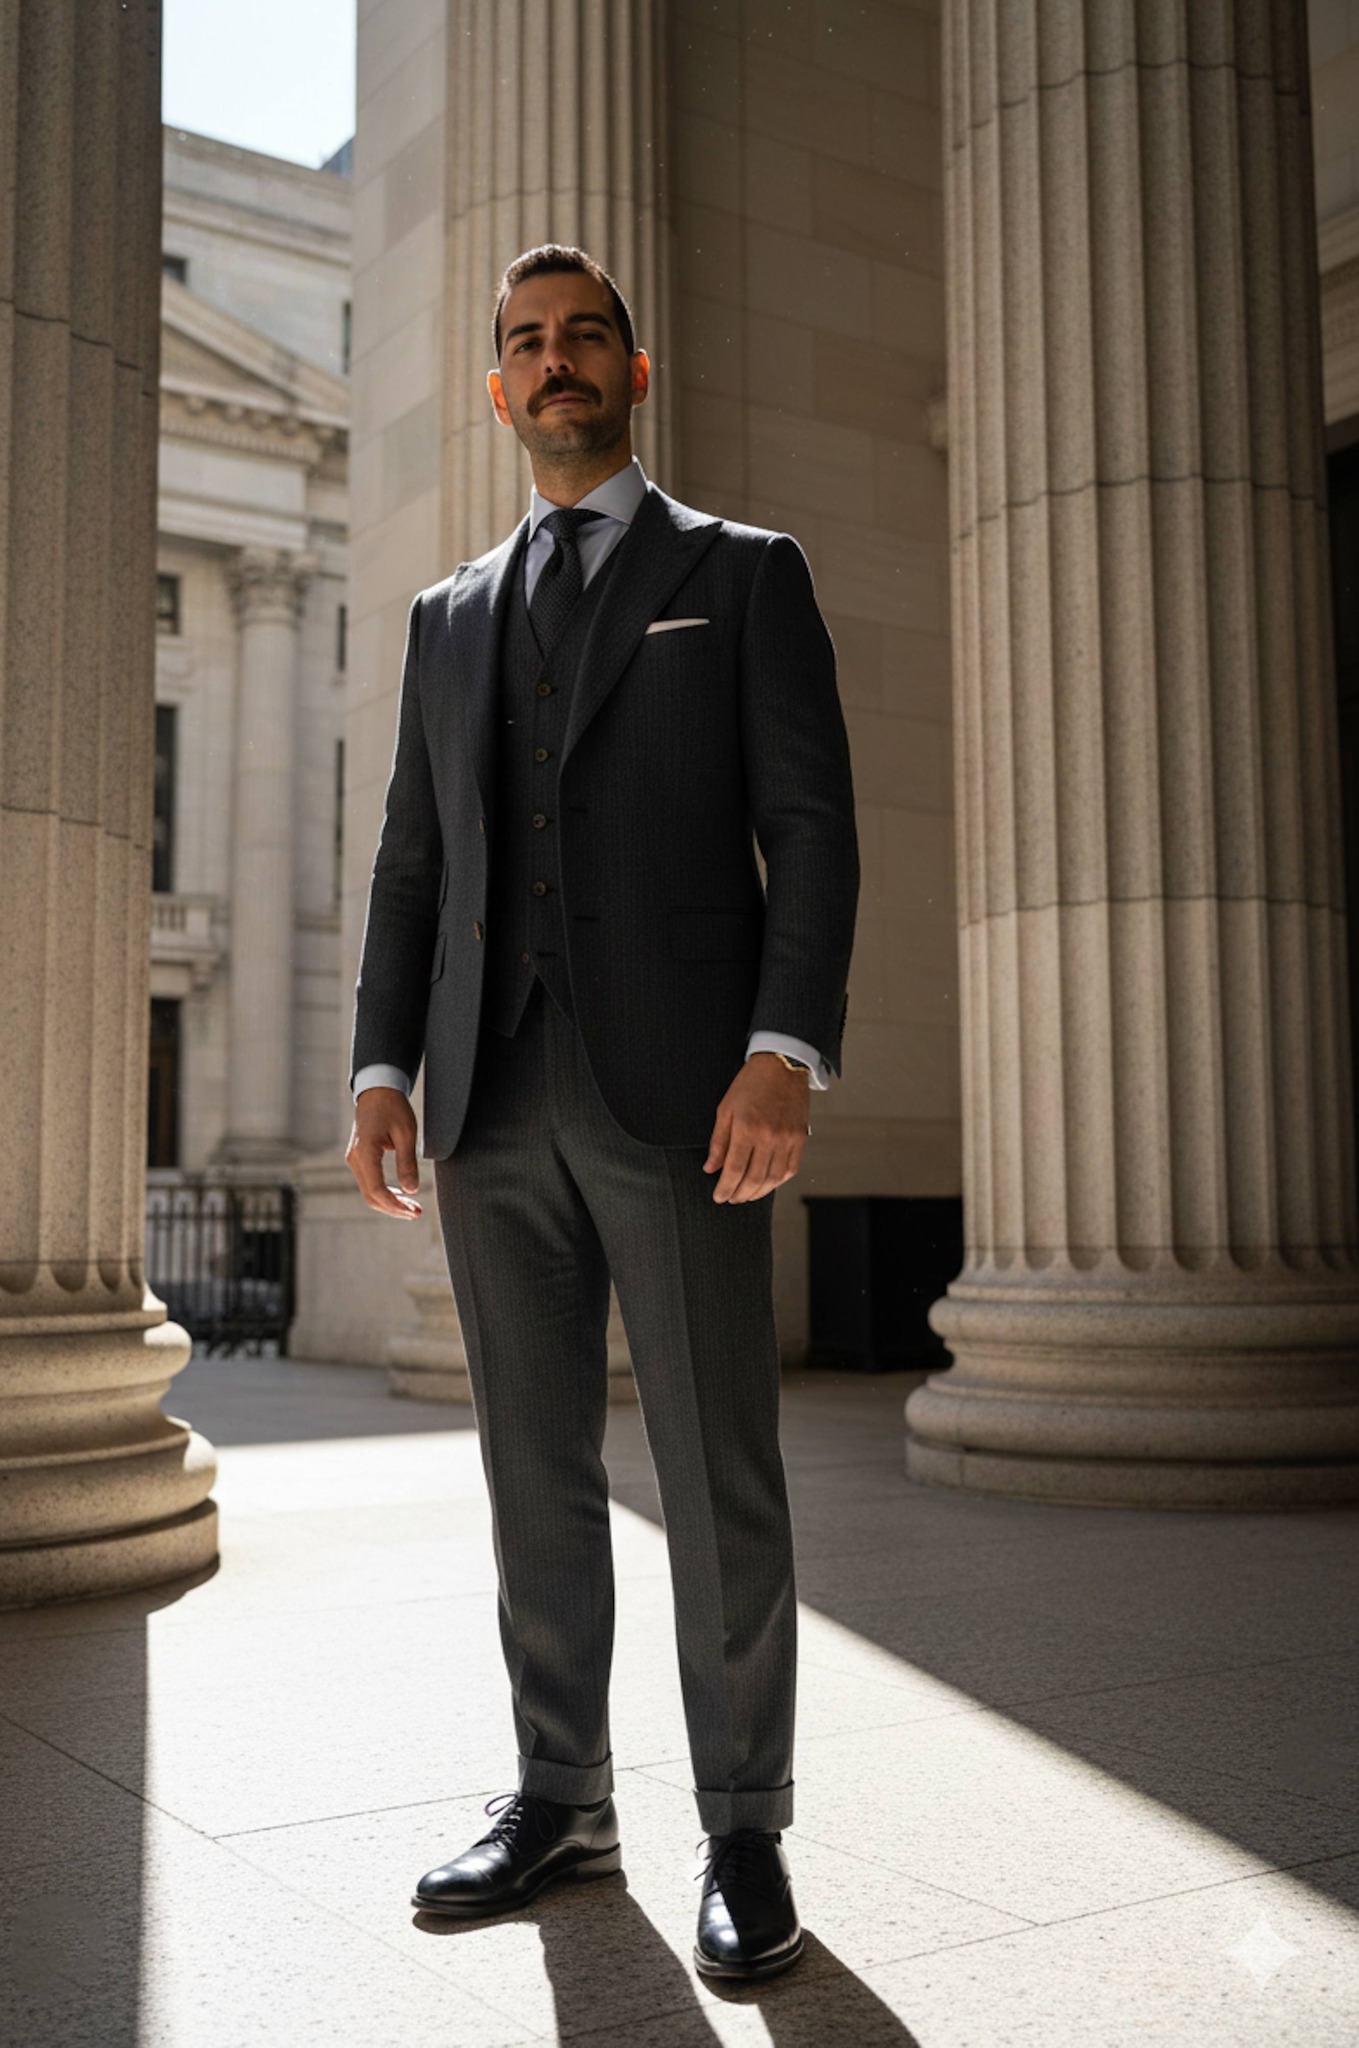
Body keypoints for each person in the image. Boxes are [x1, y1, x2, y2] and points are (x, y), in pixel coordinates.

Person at [345, 244, 858, 1982]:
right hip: (489, 1100)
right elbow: (413, 862)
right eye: (524, 345)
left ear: (636, 372)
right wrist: (378, 1070)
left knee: (718, 1473)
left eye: (583, 338)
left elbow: (816, 830)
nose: (553, 364)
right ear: (497, 392)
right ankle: (561, 1795)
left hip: (687, 1096)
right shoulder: (444, 617)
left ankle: (743, 1827)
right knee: (529, 1467)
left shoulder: (745, 574)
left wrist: (784, 1048)